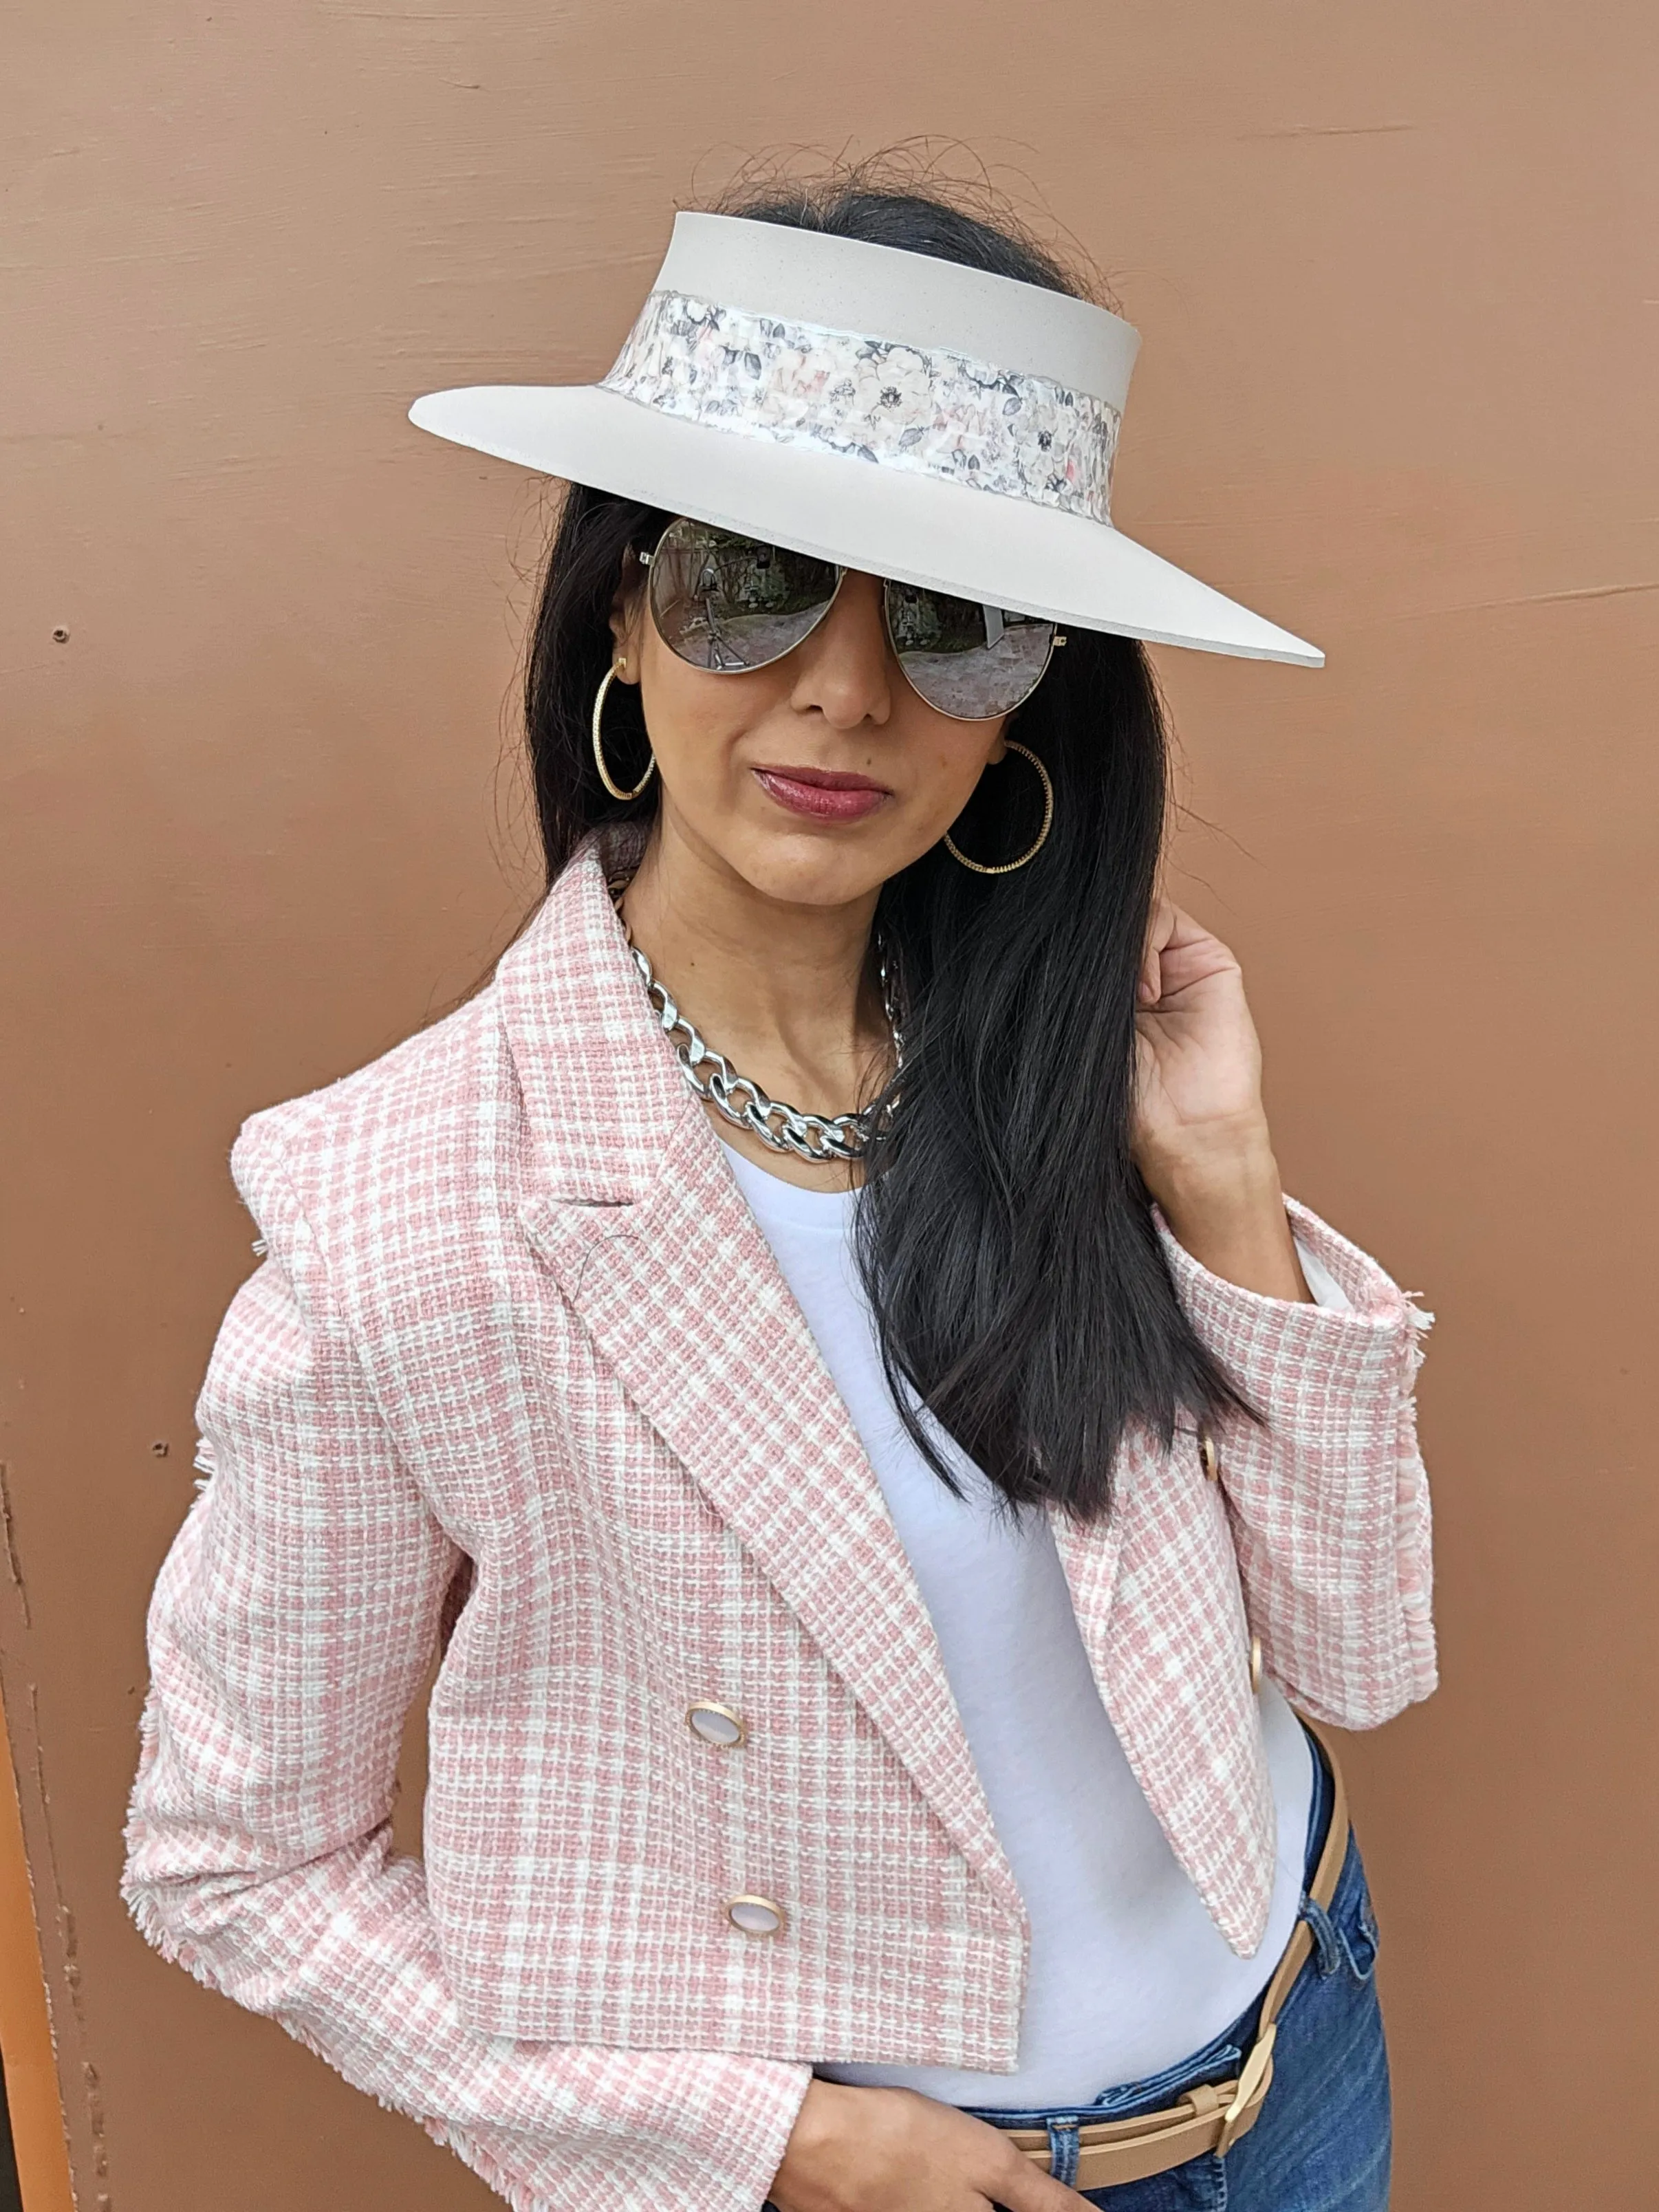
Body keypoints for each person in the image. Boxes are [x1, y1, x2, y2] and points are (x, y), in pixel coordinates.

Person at [122, 175, 1436, 2212]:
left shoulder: (1069, 1075)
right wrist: (763, 2144)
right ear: (620, 625)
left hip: (1297, 2050)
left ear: (1033, 697)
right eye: (753, 581)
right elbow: (228, 1860)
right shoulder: (402, 1215)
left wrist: (1225, 1181)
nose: (842, 688)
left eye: (950, 615)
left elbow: (1352, 1649)